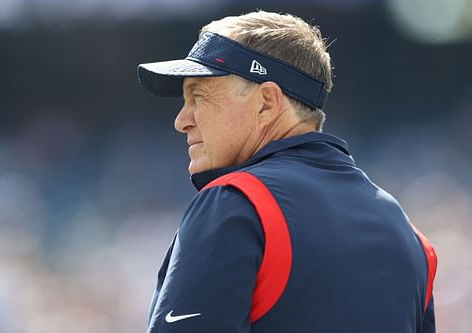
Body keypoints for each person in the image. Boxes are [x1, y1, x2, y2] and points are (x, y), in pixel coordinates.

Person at [137, 10, 437, 333]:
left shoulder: (236, 204)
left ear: (267, 102)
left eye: (198, 95)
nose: (182, 120)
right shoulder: (411, 239)